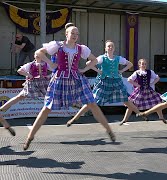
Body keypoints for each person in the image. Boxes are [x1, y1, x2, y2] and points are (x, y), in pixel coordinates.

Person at [22, 23, 115, 151]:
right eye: (73, 33)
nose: (75, 36)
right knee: (46, 108)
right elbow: (39, 52)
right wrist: (51, 63)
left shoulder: (81, 48)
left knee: (92, 103)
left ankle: (109, 130)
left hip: (76, 79)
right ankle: (29, 137)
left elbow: (94, 60)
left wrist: (84, 69)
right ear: (66, 34)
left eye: (77, 34)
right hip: (60, 79)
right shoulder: (57, 46)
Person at [66, 40, 146, 127]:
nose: (110, 48)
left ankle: (139, 113)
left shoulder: (118, 58)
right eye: (108, 46)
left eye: (112, 46)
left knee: (126, 100)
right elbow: (89, 63)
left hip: (116, 82)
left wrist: (121, 71)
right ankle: (74, 118)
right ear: (105, 48)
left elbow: (130, 64)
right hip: (104, 82)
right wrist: (97, 70)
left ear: (114, 48)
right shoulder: (102, 58)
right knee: (91, 101)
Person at [120, 58, 165, 125]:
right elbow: (129, 80)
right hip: (140, 92)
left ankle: (161, 117)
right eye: (142, 64)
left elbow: (157, 78)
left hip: (149, 91)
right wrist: (137, 85)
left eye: (145, 64)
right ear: (139, 65)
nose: (144, 65)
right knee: (131, 105)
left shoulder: (150, 72)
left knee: (157, 102)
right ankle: (124, 120)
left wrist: (152, 83)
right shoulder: (137, 72)